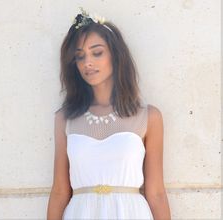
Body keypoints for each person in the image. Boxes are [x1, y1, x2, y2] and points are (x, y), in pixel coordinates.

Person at [47, 7, 171, 220]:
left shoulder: (148, 117)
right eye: (79, 56)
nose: (87, 63)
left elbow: (157, 193)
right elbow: (59, 192)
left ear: (115, 55)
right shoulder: (64, 119)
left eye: (97, 52)